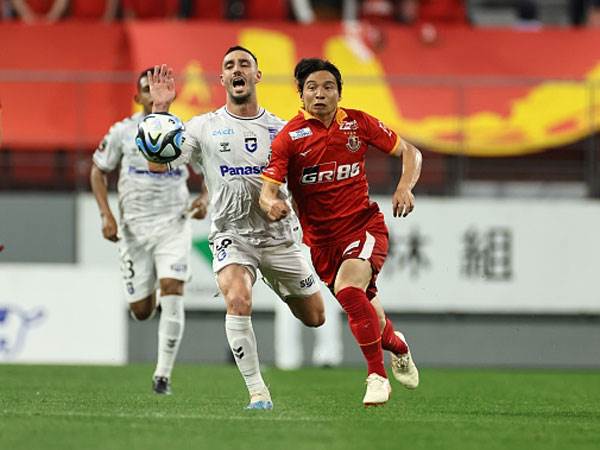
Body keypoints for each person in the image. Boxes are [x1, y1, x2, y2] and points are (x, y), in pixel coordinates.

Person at [146, 47, 326, 410]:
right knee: (238, 299)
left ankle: (275, 279)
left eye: (245, 64)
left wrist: (287, 206)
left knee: (315, 318)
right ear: (223, 79)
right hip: (232, 235)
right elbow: (157, 164)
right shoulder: (202, 126)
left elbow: (307, 183)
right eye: (229, 66)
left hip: (278, 240)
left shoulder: (282, 129)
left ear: (257, 76)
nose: (237, 69)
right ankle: (258, 393)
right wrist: (160, 111)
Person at [260, 58, 422, 406]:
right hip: (321, 245)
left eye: (328, 87)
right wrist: (271, 203)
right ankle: (398, 345)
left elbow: (411, 152)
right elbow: (267, 190)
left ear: (339, 92)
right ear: (300, 94)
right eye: (312, 88)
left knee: (349, 291)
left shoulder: (358, 124)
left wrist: (404, 187)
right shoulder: (289, 138)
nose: (320, 94)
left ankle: (376, 377)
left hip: (363, 227)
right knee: (371, 320)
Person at [90, 68, 209, 395]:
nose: (153, 94)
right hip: (134, 230)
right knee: (141, 311)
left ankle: (162, 376)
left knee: (173, 287)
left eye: (158, 88)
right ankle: (153, 280)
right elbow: (98, 172)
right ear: (137, 96)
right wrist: (106, 215)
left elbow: (210, 169)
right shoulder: (122, 132)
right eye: (146, 89)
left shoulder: (181, 131)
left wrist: (206, 198)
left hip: (174, 223)